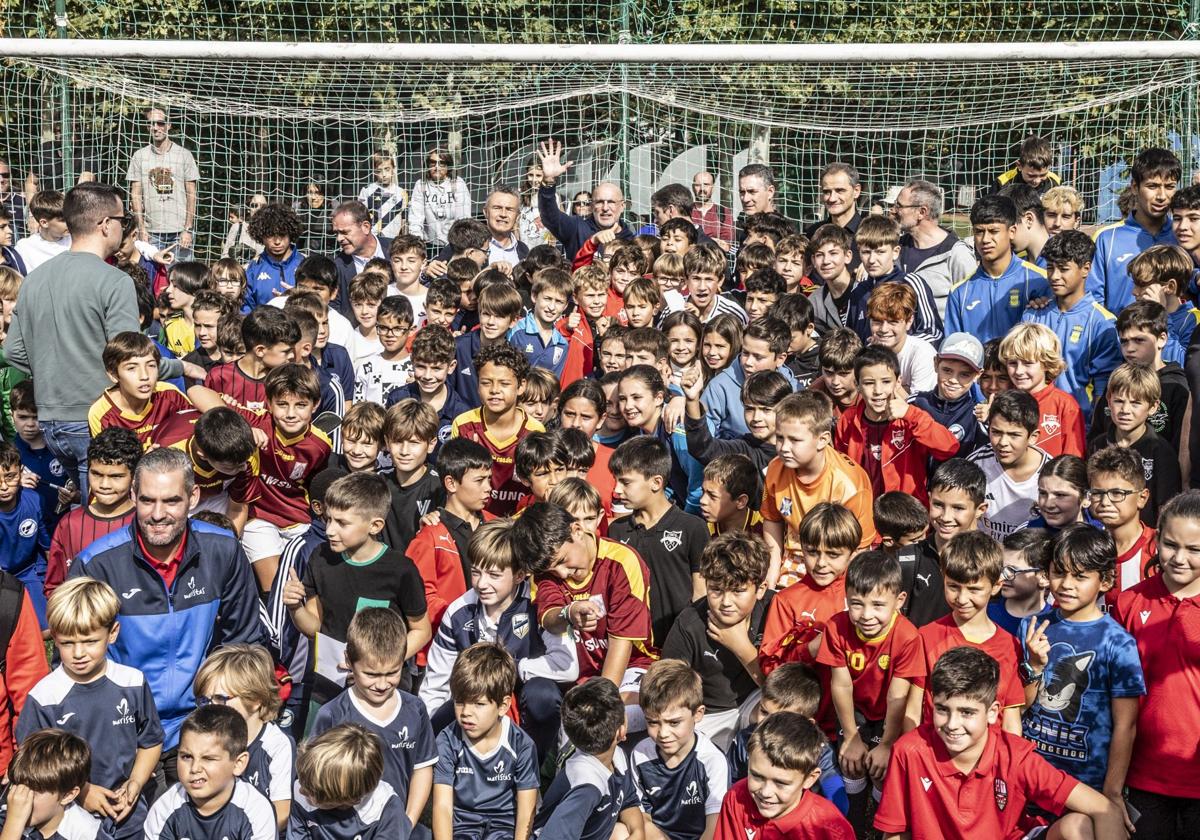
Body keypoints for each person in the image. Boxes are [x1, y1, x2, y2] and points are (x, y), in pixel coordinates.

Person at [68, 447, 267, 756]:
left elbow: (244, 640)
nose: (158, 514)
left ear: (194, 497)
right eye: (148, 500)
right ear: (133, 496)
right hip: (122, 726)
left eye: (172, 500)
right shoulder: (96, 564)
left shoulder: (223, 550)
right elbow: (72, 658)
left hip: (199, 722)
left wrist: (224, 707)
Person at [5, 183, 179, 494]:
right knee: (110, 519)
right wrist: (182, 368)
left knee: (92, 511)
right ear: (105, 224)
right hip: (95, 421)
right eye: (123, 221)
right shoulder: (115, 281)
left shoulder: (34, 280)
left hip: (51, 422)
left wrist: (53, 371)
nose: (124, 229)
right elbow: (131, 359)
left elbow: (14, 350)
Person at [874, 646, 1125, 840]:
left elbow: (1105, 809)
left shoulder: (1014, 756)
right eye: (942, 709)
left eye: (967, 712)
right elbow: (895, 832)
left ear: (993, 712)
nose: (952, 723)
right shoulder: (909, 750)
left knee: (1077, 826)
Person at [18, 578, 162, 840]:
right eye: (67, 643)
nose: (79, 653)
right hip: (68, 821)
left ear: (113, 633)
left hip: (129, 815)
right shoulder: (43, 698)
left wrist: (136, 783)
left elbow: (150, 741)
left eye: (90, 641)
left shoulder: (133, 682)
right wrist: (83, 791)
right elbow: (32, 770)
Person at [1020, 525, 1144, 817]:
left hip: (1086, 784)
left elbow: (1125, 726)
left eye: (1079, 576)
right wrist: (1035, 667)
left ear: (1105, 580)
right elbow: (1017, 706)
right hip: (1030, 774)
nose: (1066, 584)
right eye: (1058, 572)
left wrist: (1112, 792)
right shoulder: (1032, 626)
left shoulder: (1118, 643)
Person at [282, 472, 430, 701]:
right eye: (328, 519)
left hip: (383, 692)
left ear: (375, 525)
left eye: (342, 523)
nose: (330, 530)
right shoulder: (319, 558)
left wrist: (382, 667)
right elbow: (315, 628)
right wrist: (295, 608)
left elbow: (421, 630)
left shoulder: (401, 569)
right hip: (330, 690)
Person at [1111, 489, 1200, 837]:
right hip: (1143, 778)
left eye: (1194, 550)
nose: (1179, 558)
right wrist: (1114, 786)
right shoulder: (1130, 602)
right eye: (1171, 544)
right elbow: (1115, 701)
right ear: (1157, 539)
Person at [816, 551, 923, 834]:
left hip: (888, 715)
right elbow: (840, 683)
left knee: (880, 768)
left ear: (898, 601)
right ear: (846, 600)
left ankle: (877, 824)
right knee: (852, 763)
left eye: (877, 605)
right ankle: (854, 826)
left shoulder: (907, 636)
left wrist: (887, 743)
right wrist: (850, 736)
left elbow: (897, 695)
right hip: (854, 712)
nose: (866, 615)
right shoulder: (837, 627)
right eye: (857, 604)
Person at [310, 608, 436, 830]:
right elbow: (314, 780)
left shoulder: (415, 709)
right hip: (344, 829)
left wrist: (407, 822)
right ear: (349, 660)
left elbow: (422, 768)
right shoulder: (332, 715)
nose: (381, 684)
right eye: (371, 674)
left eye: (392, 672)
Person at [907, 531, 1025, 735]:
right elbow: (913, 709)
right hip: (934, 753)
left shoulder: (1010, 645)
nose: (962, 598)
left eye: (974, 589)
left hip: (989, 759)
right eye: (953, 586)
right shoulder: (927, 636)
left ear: (996, 586)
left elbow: (1011, 719)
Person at [762, 392, 876, 587]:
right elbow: (772, 520)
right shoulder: (775, 468)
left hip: (837, 565)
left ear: (823, 440)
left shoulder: (849, 484)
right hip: (794, 560)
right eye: (780, 438)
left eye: (795, 440)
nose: (784, 448)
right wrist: (772, 574)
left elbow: (861, 548)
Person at [430, 643, 539, 840]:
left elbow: (526, 813)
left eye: (478, 704)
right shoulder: (447, 741)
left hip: (505, 827)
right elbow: (442, 807)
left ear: (503, 705)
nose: (465, 713)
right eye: (459, 702)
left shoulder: (521, 745)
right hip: (462, 828)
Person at [607, 436, 709, 647]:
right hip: (631, 648)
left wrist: (689, 641)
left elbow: (701, 594)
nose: (616, 490)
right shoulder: (616, 531)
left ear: (656, 482)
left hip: (680, 645)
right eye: (616, 480)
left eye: (625, 482)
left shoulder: (693, 528)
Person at [835, 345, 958, 503]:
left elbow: (949, 448)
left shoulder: (912, 417)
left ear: (898, 381)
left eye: (886, 381)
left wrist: (911, 414)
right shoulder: (848, 420)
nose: (878, 390)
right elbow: (841, 467)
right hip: (863, 513)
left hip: (906, 515)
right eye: (869, 383)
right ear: (857, 385)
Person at [1022, 229, 1121, 423]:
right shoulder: (1032, 314)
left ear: (1085, 268)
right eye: (1050, 268)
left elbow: (1103, 388)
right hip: (1031, 423)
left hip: (1077, 425)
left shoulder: (1103, 323)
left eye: (1063, 268)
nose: (1054, 276)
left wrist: (1095, 431)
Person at [192, 645, 292, 831]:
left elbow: (282, 812)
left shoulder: (276, 745)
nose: (211, 708)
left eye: (221, 699)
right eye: (204, 701)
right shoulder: (204, 739)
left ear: (255, 700)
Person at [712, 711, 854, 840]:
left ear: (810, 779)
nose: (766, 792)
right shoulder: (736, 798)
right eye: (757, 776)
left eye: (781, 783)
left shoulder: (832, 828)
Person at [629, 659, 729, 840]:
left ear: (698, 714)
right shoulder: (640, 754)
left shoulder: (712, 760)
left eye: (674, 722)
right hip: (658, 837)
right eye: (653, 722)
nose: (663, 733)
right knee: (619, 832)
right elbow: (640, 815)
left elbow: (714, 826)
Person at [531, 678, 642, 840]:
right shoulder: (587, 786)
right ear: (622, 731)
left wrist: (638, 831)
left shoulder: (617, 756)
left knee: (626, 832)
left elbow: (628, 801)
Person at [142, 705, 276, 840]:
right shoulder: (164, 810)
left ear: (238, 763)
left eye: (208, 758)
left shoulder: (256, 811)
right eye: (186, 757)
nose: (195, 768)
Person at [406, 438, 495, 634]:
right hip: (444, 646)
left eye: (489, 478)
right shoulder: (429, 536)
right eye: (480, 480)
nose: (488, 487)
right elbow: (420, 597)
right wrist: (463, 619)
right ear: (451, 483)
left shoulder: (497, 527)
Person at [44, 428, 139, 599]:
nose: (104, 484)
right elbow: (54, 588)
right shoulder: (69, 524)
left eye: (116, 476)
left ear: (133, 477)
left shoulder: (143, 523)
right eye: (96, 474)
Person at [450, 343, 544, 516]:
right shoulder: (464, 425)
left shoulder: (535, 431)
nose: (494, 390)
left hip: (520, 522)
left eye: (504, 383)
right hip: (474, 521)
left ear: (521, 386)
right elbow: (453, 485)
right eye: (486, 383)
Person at [945, 194, 1049, 344]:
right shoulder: (960, 292)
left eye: (993, 231)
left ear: (1012, 231)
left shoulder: (1039, 281)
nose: (985, 240)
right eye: (979, 231)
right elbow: (953, 348)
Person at [1088, 146, 1181, 312]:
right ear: (1134, 187)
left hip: (1174, 335)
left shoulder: (1183, 236)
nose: (1161, 196)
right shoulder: (1106, 239)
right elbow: (1092, 301)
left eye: (1169, 186)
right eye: (1152, 186)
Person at [1089, 363, 1181, 524]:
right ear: (1109, 401)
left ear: (1153, 407)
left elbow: (1166, 507)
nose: (1125, 409)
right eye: (1119, 401)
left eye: (1135, 403)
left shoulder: (1161, 451)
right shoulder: (1098, 445)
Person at [289, 724, 410, 840]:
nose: (301, 789)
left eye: (312, 790)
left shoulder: (384, 807)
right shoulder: (300, 796)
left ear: (349, 798)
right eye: (302, 779)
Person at [88, 332, 193, 450]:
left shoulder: (170, 395)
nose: (144, 376)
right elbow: (109, 464)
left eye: (151, 366)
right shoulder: (101, 414)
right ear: (113, 375)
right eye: (132, 368)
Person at [968, 390, 1051, 541]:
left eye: (1014, 435)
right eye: (996, 432)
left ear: (1033, 437)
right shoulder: (976, 464)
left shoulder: (1051, 474)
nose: (1003, 443)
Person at [535, 140, 635, 262]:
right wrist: (548, 182)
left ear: (622, 206)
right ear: (592, 205)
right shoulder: (576, 228)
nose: (605, 208)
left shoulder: (631, 239)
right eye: (599, 202)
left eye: (611, 202)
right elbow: (550, 216)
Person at [997, 322, 1085, 458]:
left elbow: (1073, 460)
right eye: (1013, 363)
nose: (1019, 371)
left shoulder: (1065, 405)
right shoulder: (1001, 400)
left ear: (1046, 364)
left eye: (1028, 363)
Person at [891, 179, 978, 315]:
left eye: (899, 206)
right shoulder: (896, 248)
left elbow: (972, 308)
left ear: (922, 212)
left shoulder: (957, 255)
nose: (893, 210)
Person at [0, 730, 106, 840]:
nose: (21, 798)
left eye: (35, 790)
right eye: (18, 785)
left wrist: (14, 823)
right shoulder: (7, 816)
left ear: (68, 795)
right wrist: (13, 824)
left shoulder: (87, 833)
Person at [125, 108, 199, 260]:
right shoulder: (139, 156)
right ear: (147, 127)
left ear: (168, 125)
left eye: (160, 123)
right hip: (151, 233)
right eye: (151, 124)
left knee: (183, 280)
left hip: (179, 232)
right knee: (152, 280)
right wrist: (141, 228)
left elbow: (192, 194)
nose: (156, 127)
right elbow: (135, 194)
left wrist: (187, 229)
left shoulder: (184, 155)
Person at [1087, 446, 1156, 598]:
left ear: (1142, 498)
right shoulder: (1083, 549)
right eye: (1097, 493)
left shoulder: (1160, 550)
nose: (1105, 502)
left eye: (1117, 493)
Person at [330, 200, 391, 321]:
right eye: (336, 233)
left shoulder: (395, 250)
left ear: (365, 227)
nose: (339, 239)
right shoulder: (336, 268)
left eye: (344, 232)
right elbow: (335, 313)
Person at [244, 203, 305, 308]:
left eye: (282, 235)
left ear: (291, 233)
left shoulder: (305, 265)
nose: (277, 241)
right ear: (261, 235)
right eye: (270, 235)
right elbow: (246, 309)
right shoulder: (253, 269)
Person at [408, 148, 470, 248]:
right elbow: (415, 218)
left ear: (448, 166)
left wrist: (460, 243)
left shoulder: (457, 183)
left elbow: (463, 217)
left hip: (454, 244)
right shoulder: (421, 185)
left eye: (441, 163)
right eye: (433, 163)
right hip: (429, 244)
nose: (437, 167)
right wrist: (417, 243)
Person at [14, 190, 69, 273]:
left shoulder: (77, 241)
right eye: (63, 220)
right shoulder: (25, 248)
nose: (70, 222)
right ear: (44, 223)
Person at [989, 134, 1062, 197]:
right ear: (1019, 165)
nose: (1037, 181)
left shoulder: (1055, 182)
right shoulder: (1002, 183)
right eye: (1031, 176)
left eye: (1043, 175)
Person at [358, 152, 409, 238]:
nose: (384, 175)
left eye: (387, 169)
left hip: (393, 240)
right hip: (372, 239)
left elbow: (404, 220)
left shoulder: (401, 193)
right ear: (374, 171)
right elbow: (360, 217)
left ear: (393, 169)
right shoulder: (367, 190)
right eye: (379, 171)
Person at [691, 171, 735, 248]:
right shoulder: (686, 211)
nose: (702, 189)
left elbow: (726, 246)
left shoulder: (724, 212)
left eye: (706, 185)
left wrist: (698, 240)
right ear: (692, 187)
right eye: (698, 185)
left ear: (713, 187)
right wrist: (713, 240)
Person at [294, 181, 334, 253]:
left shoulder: (333, 207)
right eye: (310, 192)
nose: (313, 197)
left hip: (330, 248)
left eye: (318, 193)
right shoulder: (298, 207)